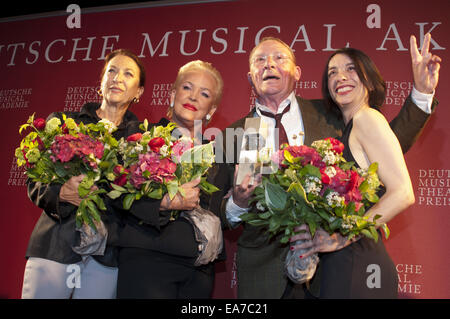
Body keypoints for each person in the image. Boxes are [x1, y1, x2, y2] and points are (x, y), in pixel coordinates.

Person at [220, 34, 440, 299]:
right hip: (262, 277)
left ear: (297, 72)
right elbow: (213, 210)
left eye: (279, 58)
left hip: (329, 271)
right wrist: (238, 203)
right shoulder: (232, 134)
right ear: (249, 76)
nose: (269, 65)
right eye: (260, 60)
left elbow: (380, 155)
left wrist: (421, 95)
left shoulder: (332, 113)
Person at [289, 34, 441, 298]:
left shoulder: (367, 119)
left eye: (351, 69)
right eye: (332, 73)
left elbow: (403, 193)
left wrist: (344, 235)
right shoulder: (349, 131)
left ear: (369, 80)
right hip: (345, 266)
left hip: (358, 266)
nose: (341, 77)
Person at [21, 49, 145, 299]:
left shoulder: (140, 143)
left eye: (128, 74)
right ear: (101, 82)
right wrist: (61, 193)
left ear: (138, 92)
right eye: (112, 70)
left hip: (105, 256)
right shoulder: (65, 123)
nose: (117, 78)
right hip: (54, 246)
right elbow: (34, 182)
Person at [116, 60, 228, 299]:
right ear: (173, 94)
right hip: (147, 259)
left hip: (199, 270)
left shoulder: (219, 156)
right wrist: (164, 203)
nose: (194, 97)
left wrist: (240, 198)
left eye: (204, 93)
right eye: (187, 88)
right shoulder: (139, 136)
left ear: (211, 110)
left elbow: (226, 211)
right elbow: (115, 193)